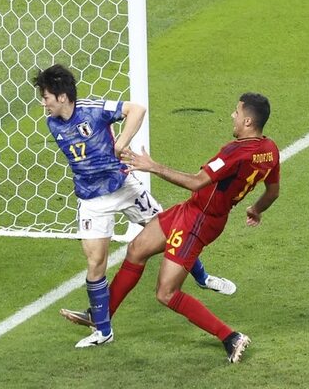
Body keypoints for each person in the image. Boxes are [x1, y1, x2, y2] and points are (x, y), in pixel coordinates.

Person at [32, 64, 237, 348]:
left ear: (62, 96)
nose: (43, 103)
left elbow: (136, 110)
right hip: (92, 200)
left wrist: (122, 143)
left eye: (46, 97)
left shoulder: (94, 109)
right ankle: (103, 330)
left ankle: (203, 277)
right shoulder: (53, 123)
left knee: (174, 230)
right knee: (95, 263)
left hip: (125, 187)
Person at [103, 92, 279, 363]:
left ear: (247, 120)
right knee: (137, 249)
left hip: (199, 220)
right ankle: (101, 320)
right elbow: (273, 191)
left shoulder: (235, 152)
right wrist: (255, 210)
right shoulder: (270, 149)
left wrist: (153, 167)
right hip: (192, 210)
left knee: (166, 293)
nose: (232, 115)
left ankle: (230, 337)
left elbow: (198, 181)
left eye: (236, 111)